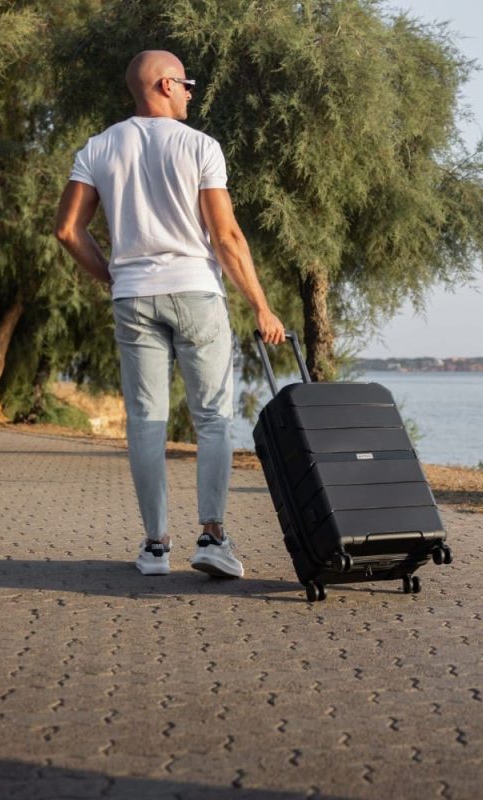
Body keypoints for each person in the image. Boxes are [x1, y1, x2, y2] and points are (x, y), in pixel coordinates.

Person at [55, 50, 285, 579]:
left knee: (145, 421)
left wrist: (113, 276)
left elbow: (68, 231)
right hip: (196, 294)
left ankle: (155, 547)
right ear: (163, 85)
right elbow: (225, 236)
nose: (191, 93)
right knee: (211, 418)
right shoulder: (200, 146)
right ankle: (211, 537)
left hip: (132, 298)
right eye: (186, 84)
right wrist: (261, 305)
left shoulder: (97, 148)